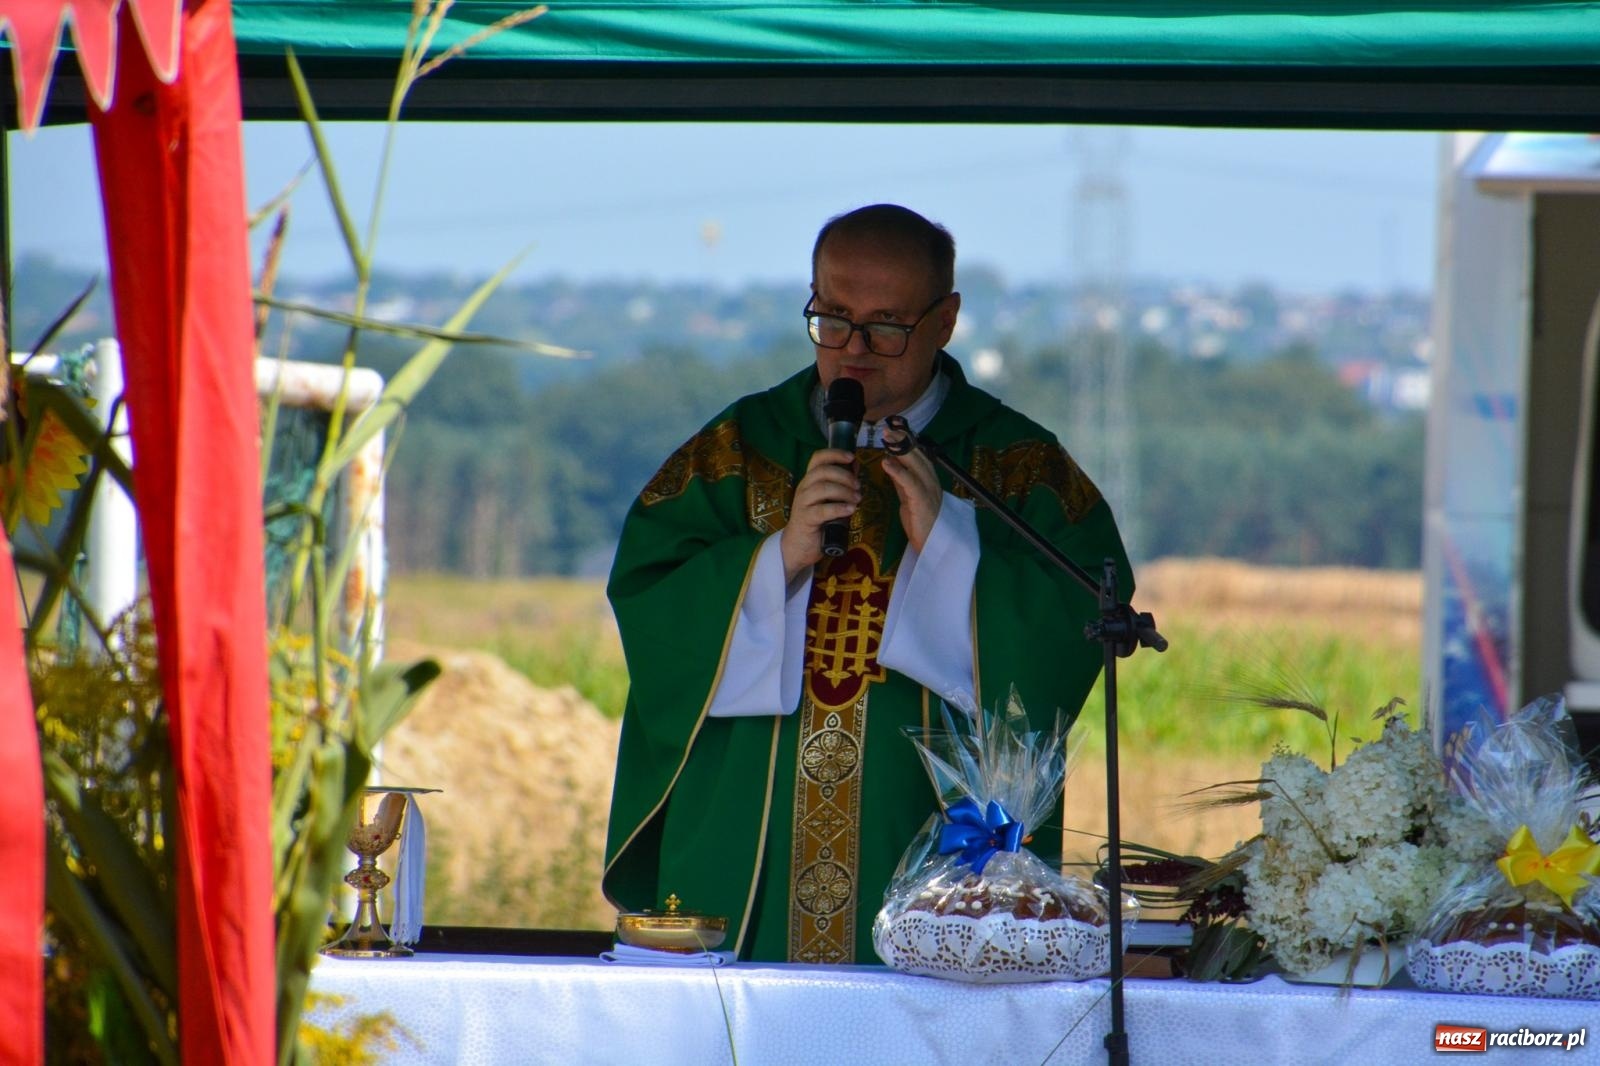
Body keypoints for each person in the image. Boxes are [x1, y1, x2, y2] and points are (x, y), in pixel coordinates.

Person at [602, 204, 1132, 964]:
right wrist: (774, 558)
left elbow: (1077, 624)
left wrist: (949, 544)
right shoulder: (735, 451)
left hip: (932, 859)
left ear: (945, 321)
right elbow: (653, 609)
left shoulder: (1021, 467)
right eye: (832, 319)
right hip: (744, 865)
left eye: (886, 327)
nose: (853, 352)